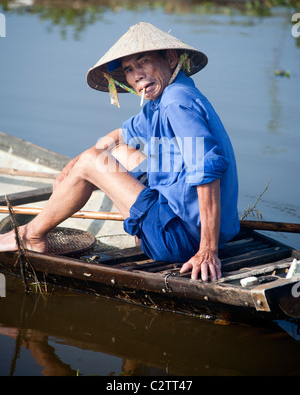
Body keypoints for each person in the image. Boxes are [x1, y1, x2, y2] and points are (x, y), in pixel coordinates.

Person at [0, 22, 240, 281]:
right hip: (192, 229)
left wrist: (207, 250)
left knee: (93, 162)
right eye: (128, 69)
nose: (136, 74)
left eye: (143, 61)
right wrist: (72, 166)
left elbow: (207, 169)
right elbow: (118, 136)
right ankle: (135, 221)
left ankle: (30, 235)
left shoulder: (175, 102)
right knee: (113, 153)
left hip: (181, 241)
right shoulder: (165, 98)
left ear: (170, 58)